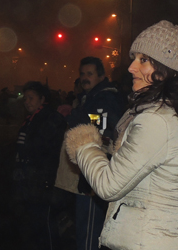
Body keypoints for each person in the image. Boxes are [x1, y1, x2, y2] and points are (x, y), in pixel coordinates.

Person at [65, 20, 178, 249]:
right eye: (134, 58)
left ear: (166, 67)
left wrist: (85, 145)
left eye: (143, 60)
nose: (131, 67)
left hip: (150, 239)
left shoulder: (156, 119)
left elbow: (108, 185)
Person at [58, 57, 125, 250]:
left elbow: (102, 127)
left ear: (101, 76)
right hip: (89, 169)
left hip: (95, 171)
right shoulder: (91, 97)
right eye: (82, 74)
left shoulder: (106, 97)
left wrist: (73, 116)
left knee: (89, 231)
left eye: (90, 74)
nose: (85, 78)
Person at [13, 81, 67, 250]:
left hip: (43, 181)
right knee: (35, 224)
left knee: (45, 224)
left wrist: (41, 176)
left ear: (42, 99)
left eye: (31, 98)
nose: (27, 102)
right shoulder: (32, 119)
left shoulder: (49, 118)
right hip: (32, 180)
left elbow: (46, 150)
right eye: (25, 98)